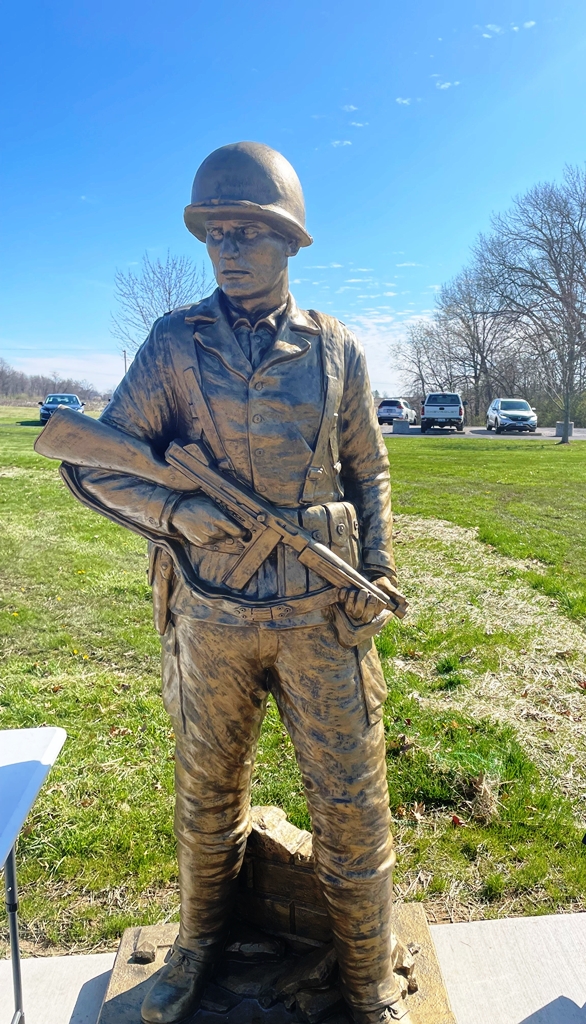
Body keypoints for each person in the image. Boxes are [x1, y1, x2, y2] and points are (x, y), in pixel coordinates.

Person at [62, 142, 412, 1024]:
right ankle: (194, 949)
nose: (229, 247)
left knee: (352, 802)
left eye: (249, 231)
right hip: (212, 613)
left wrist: (377, 568)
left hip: (320, 618)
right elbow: (97, 461)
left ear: (289, 242)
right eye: (216, 232)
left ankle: (369, 978)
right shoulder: (174, 345)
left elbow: (369, 473)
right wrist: (179, 517)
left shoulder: (336, 349)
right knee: (205, 792)